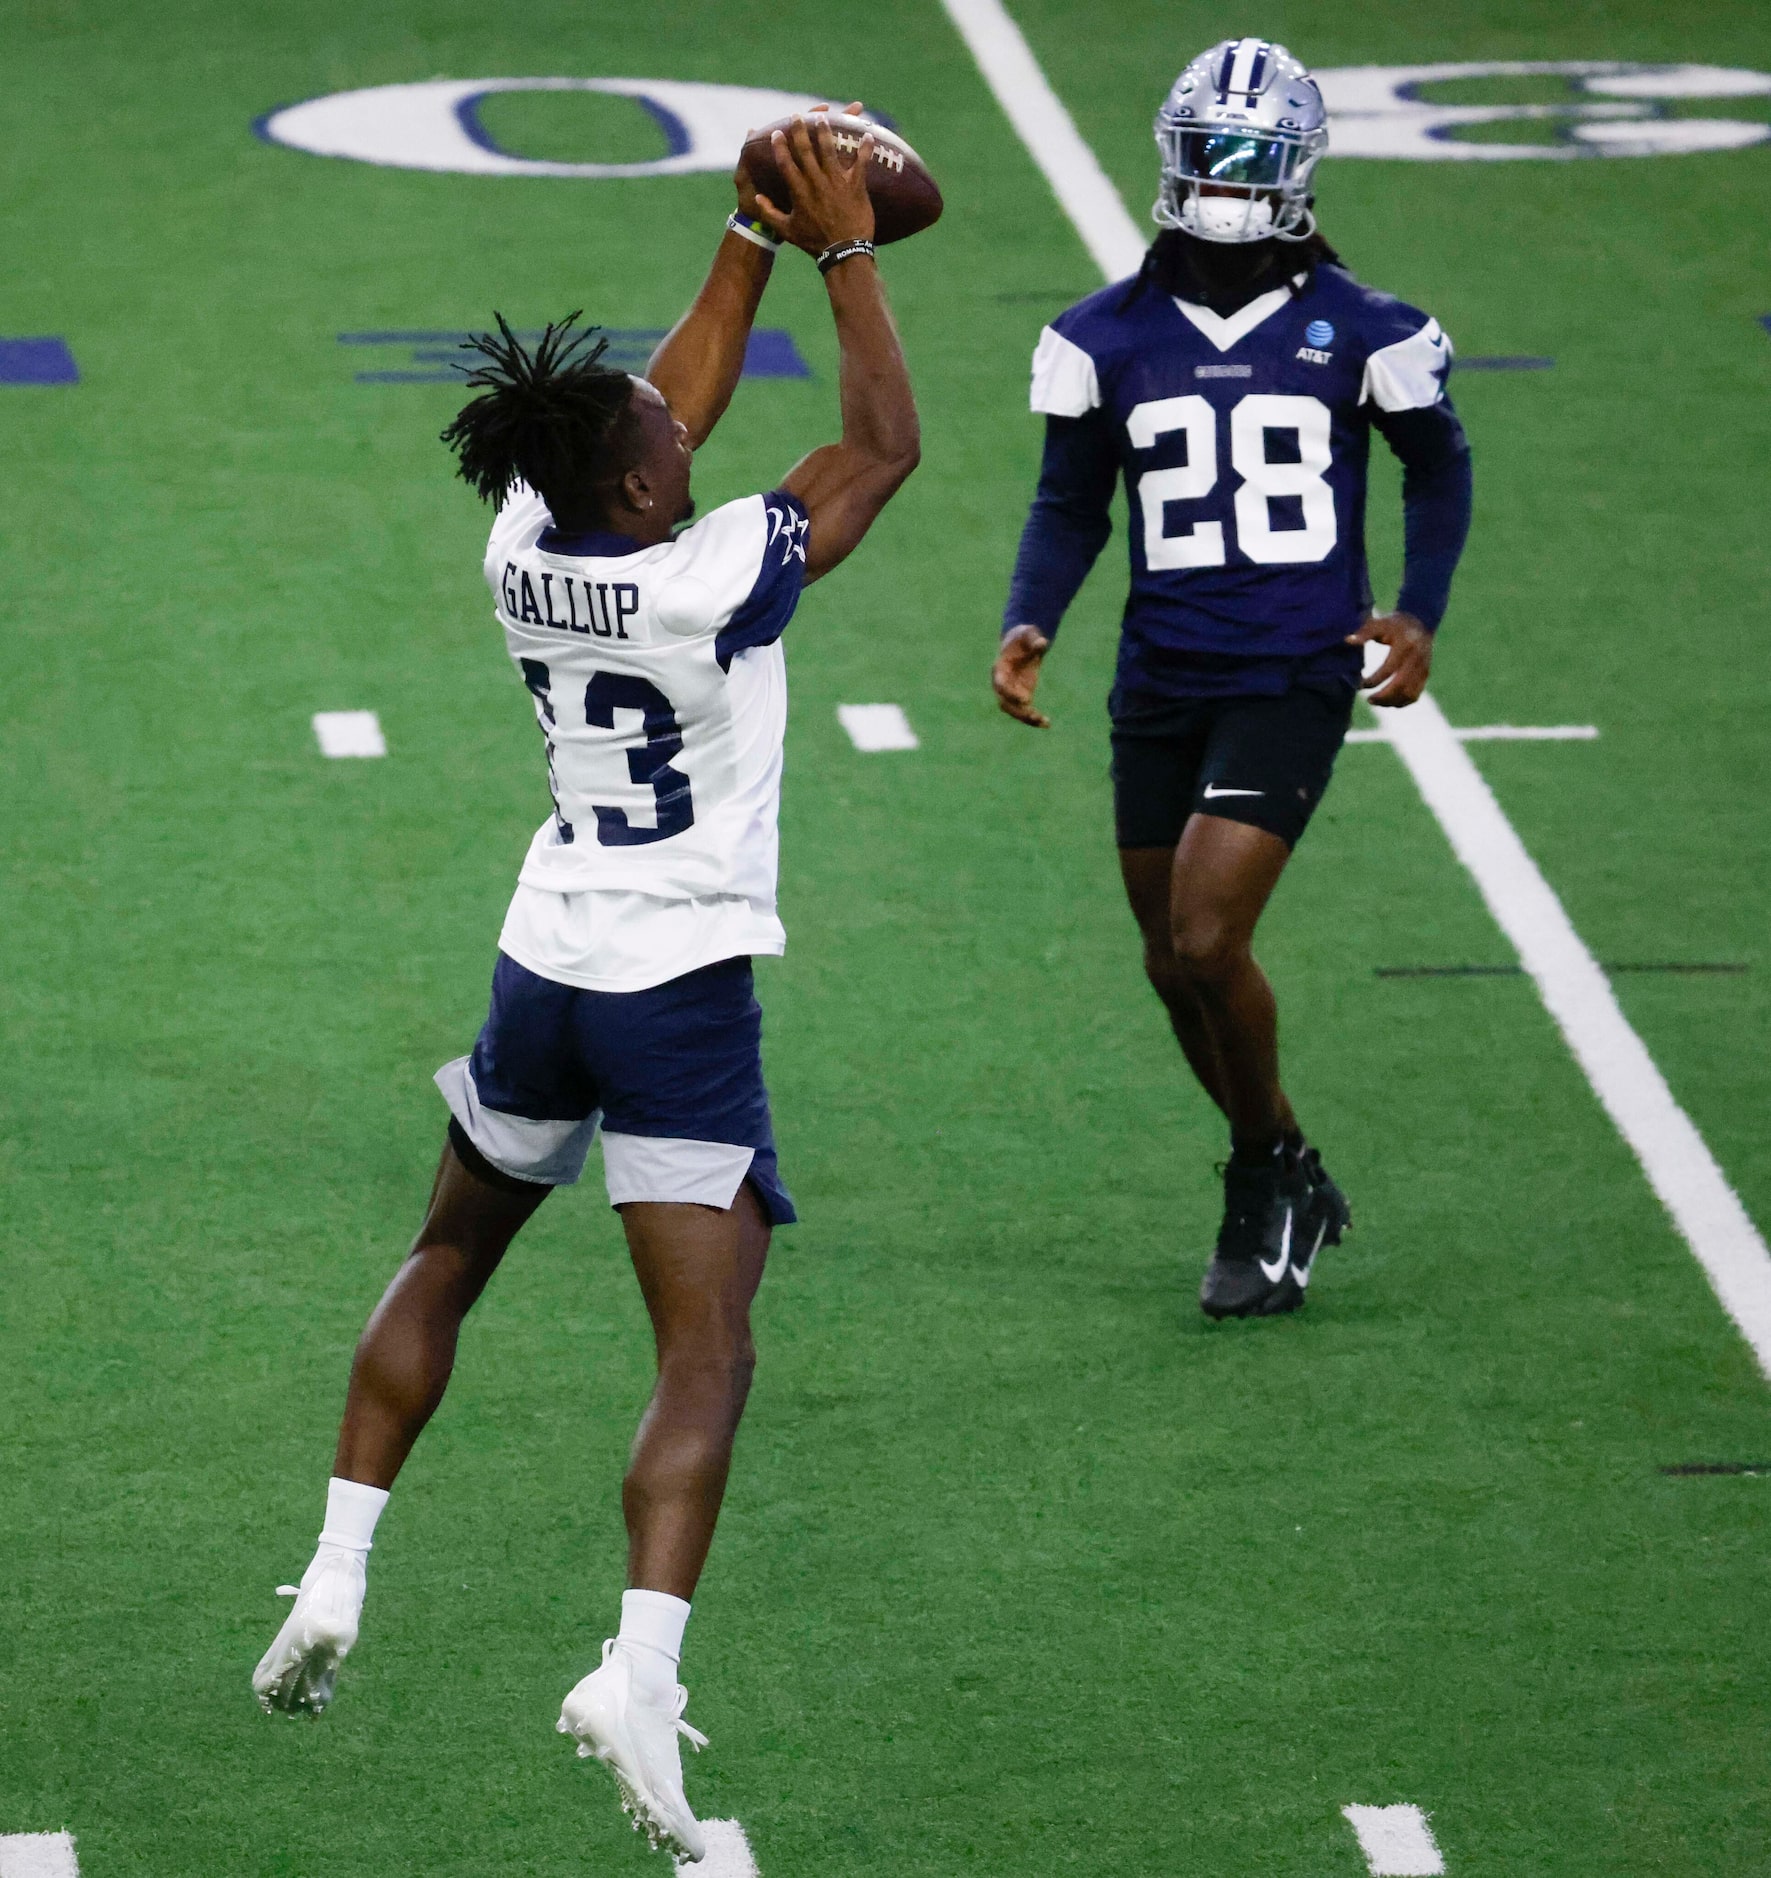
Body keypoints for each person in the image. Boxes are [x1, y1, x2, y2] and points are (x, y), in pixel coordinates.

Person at [251, 116, 918, 1862]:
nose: (673, 422)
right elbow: (881, 446)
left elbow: (660, 412)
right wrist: (846, 249)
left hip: (543, 954)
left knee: (447, 1253)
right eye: (656, 435)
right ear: (639, 485)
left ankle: (334, 1564)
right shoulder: (707, 582)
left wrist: (743, 232)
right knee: (703, 1346)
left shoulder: (523, 545)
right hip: (679, 983)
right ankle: (636, 1666)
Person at [991, 38, 1472, 1320]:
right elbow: (1068, 501)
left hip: (1288, 669)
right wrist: (1031, 616)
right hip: (1160, 675)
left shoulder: (1362, 327)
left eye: (1253, 157)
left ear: (1299, 167)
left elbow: (1437, 462)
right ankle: (1286, 1159)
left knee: (1209, 933)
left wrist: (1416, 610)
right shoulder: (1101, 334)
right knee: (1168, 963)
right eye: (1212, 153)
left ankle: (1261, 1173)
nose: (1227, 179)